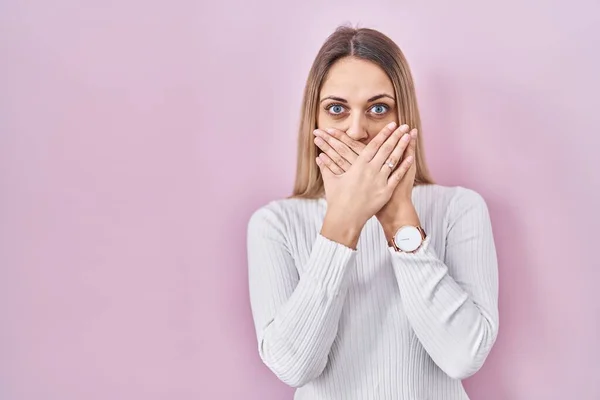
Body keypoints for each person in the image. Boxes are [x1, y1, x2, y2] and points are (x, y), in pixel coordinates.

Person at [246, 25, 499, 400]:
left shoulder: (459, 209)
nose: (357, 130)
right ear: (314, 120)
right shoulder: (275, 225)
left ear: (405, 118)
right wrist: (343, 222)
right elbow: (293, 365)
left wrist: (399, 217)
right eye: (337, 109)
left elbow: (462, 356)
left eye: (378, 108)